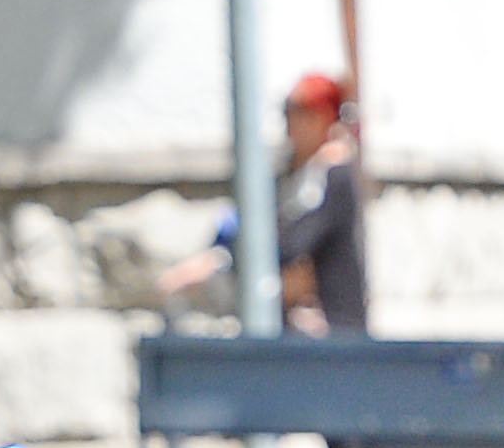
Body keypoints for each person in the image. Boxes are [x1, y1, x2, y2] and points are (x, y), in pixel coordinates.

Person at [154, 71, 369, 332]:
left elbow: (292, 245)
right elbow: (250, 222)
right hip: (291, 323)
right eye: (286, 110)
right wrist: (217, 256)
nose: (289, 122)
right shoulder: (289, 173)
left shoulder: (334, 174)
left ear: (323, 117)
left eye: (299, 111)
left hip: (333, 326)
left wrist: (226, 260)